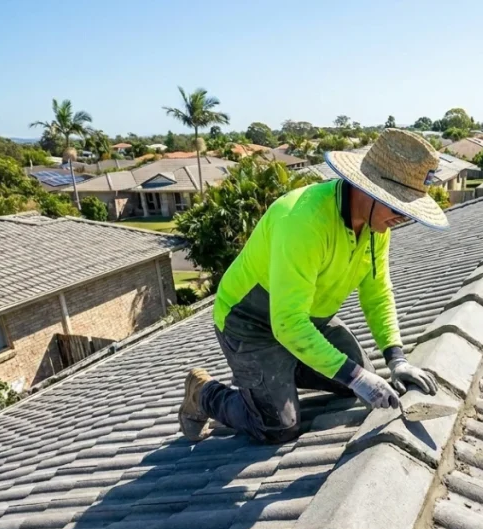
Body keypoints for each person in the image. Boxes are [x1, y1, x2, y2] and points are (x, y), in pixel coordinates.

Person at [177, 129, 449, 443]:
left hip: (307, 321)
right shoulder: (303, 221)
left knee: (362, 382)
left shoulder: (377, 226)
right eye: (398, 207)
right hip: (251, 324)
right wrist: (355, 376)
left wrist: (396, 357)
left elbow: (377, 291)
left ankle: (280, 370)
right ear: (370, 191)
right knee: (278, 427)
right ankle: (204, 393)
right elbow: (286, 322)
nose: (403, 219)